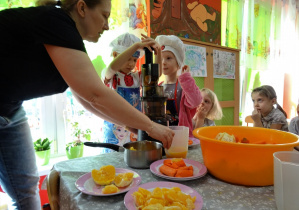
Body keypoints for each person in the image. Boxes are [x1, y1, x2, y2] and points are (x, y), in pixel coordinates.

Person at [0, 0, 174, 209]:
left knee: (25, 191)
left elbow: (87, 100)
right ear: (82, 8)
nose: (107, 25)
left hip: (9, 108)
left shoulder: (67, 38)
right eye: (104, 16)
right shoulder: (55, 21)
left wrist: (131, 125)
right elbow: (96, 95)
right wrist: (151, 126)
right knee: (23, 192)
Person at [155, 35, 202, 137]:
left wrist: (186, 78)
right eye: (161, 58)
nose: (163, 62)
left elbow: (196, 101)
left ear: (178, 63)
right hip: (163, 135)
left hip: (181, 135)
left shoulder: (184, 86)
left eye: (168, 58)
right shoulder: (158, 86)